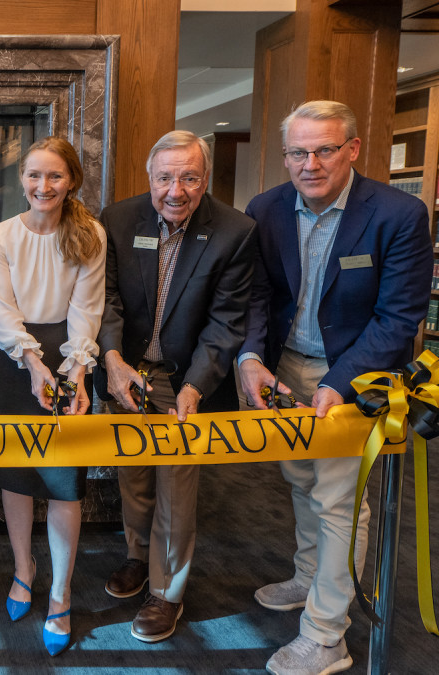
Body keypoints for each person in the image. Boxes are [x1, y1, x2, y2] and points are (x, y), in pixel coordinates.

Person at [240, 100, 431, 675]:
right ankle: (308, 577)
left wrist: (341, 382)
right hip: (286, 374)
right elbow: (256, 296)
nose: (310, 163)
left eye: (324, 149)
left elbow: (400, 317)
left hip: (357, 379)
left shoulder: (397, 214)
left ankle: (326, 636)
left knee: (339, 502)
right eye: (298, 151)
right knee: (301, 483)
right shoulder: (265, 209)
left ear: (351, 149)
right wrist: (250, 357)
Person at [96, 130, 255, 643]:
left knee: (177, 491)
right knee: (133, 478)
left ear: (204, 179)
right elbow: (108, 299)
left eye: (189, 177)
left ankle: (168, 593)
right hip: (128, 376)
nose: (176, 190)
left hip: (186, 382)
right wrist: (114, 361)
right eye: (165, 177)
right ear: (150, 178)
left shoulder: (234, 231)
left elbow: (227, 322)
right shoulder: (119, 220)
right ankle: (137, 558)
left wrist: (196, 387)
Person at [0, 137, 106, 655]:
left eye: (54, 176)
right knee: (16, 474)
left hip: (71, 353)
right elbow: (1, 311)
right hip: (15, 360)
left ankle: (59, 593)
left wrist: (75, 369)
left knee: (63, 482)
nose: (43, 186)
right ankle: (23, 568)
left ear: (71, 180)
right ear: (22, 180)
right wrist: (32, 363)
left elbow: (87, 309)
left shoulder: (90, 234)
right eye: (34, 175)